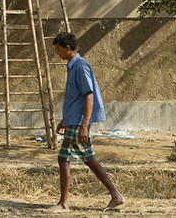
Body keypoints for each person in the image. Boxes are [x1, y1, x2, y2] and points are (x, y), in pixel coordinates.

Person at [45, 32, 124, 213]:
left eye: (58, 50)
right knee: (88, 159)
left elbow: (89, 96)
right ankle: (115, 195)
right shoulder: (73, 66)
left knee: (64, 158)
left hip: (79, 122)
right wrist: (65, 120)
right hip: (73, 121)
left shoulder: (81, 66)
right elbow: (76, 98)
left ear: (67, 48)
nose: (57, 53)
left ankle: (64, 204)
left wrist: (83, 126)